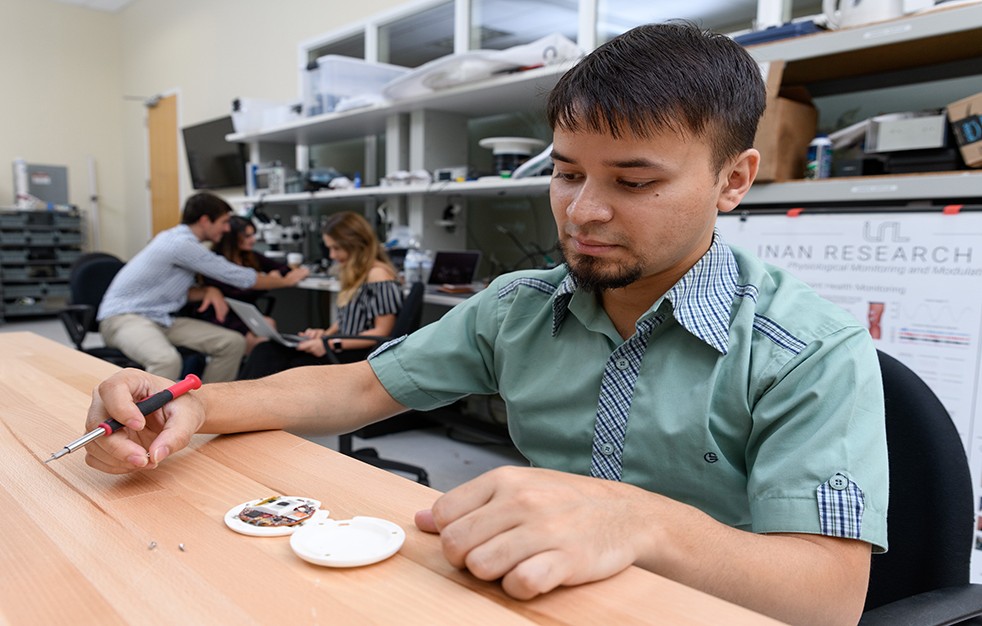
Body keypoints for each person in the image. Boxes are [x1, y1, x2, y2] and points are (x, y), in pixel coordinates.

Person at [82, 23, 887, 625]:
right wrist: (188, 404)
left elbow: (831, 596)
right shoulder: (518, 306)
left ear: (734, 180)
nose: (585, 211)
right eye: (567, 173)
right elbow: (360, 383)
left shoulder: (808, 350)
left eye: (635, 182)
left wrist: (639, 522)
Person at [97, 192, 310, 383]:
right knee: (167, 360)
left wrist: (209, 290)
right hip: (123, 318)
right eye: (224, 222)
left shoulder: (176, 239)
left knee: (232, 343)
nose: (227, 228)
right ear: (205, 220)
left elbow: (173, 290)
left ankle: (206, 409)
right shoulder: (181, 244)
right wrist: (286, 281)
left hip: (161, 318)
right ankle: (146, 422)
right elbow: (238, 277)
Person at [237, 211, 402, 378]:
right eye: (329, 248)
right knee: (265, 349)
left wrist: (331, 343)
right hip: (340, 346)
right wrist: (325, 334)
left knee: (275, 361)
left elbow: (382, 332)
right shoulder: (358, 273)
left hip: (356, 354)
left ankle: (239, 401)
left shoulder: (378, 275)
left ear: (356, 244)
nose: (332, 255)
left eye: (336, 248)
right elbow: (350, 319)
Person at [190, 215, 291, 353]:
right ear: (232, 238)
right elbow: (238, 291)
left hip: (246, 314)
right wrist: (267, 283)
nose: (253, 240)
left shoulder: (250, 256)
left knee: (269, 325)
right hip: (223, 315)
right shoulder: (215, 261)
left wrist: (274, 276)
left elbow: (282, 268)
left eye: (253, 235)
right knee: (260, 342)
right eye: (247, 236)